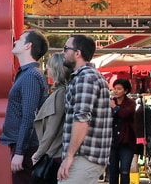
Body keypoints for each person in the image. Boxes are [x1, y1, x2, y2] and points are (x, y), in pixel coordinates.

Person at [57, 34, 112, 184]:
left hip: (84, 156)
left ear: (77, 53)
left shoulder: (85, 78)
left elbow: (81, 119)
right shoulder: (89, 76)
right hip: (86, 156)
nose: (63, 52)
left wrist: (69, 156)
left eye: (66, 49)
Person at [0, 30, 49, 184]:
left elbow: (29, 116)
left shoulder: (31, 76)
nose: (15, 42)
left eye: (20, 40)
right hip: (23, 143)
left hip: (26, 146)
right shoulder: (28, 74)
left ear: (28, 46)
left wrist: (20, 152)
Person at [33, 53, 74, 184]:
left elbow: (52, 128)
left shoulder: (60, 94)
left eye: (49, 66)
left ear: (56, 69)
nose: (47, 70)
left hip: (54, 153)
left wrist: (38, 154)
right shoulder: (62, 92)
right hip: (55, 152)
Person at [106, 78, 137, 184]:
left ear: (125, 90)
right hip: (112, 142)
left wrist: (115, 108)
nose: (116, 91)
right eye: (114, 88)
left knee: (124, 171)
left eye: (119, 89)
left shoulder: (130, 103)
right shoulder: (110, 102)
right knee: (113, 171)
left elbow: (125, 114)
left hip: (127, 142)